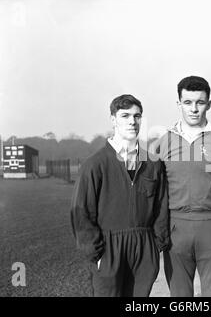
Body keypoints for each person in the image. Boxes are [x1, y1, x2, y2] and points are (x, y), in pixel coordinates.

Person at [70, 94, 169, 297]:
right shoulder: (94, 165)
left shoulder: (153, 163)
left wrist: (156, 244)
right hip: (109, 249)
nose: (132, 121)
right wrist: (96, 254)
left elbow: (161, 205)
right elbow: (81, 213)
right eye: (125, 116)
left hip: (144, 249)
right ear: (113, 119)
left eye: (137, 116)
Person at [155, 76, 211, 296]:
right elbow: (154, 192)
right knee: (180, 296)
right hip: (176, 229)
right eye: (187, 102)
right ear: (179, 103)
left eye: (200, 102)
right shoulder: (164, 142)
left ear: (209, 104)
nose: (193, 109)